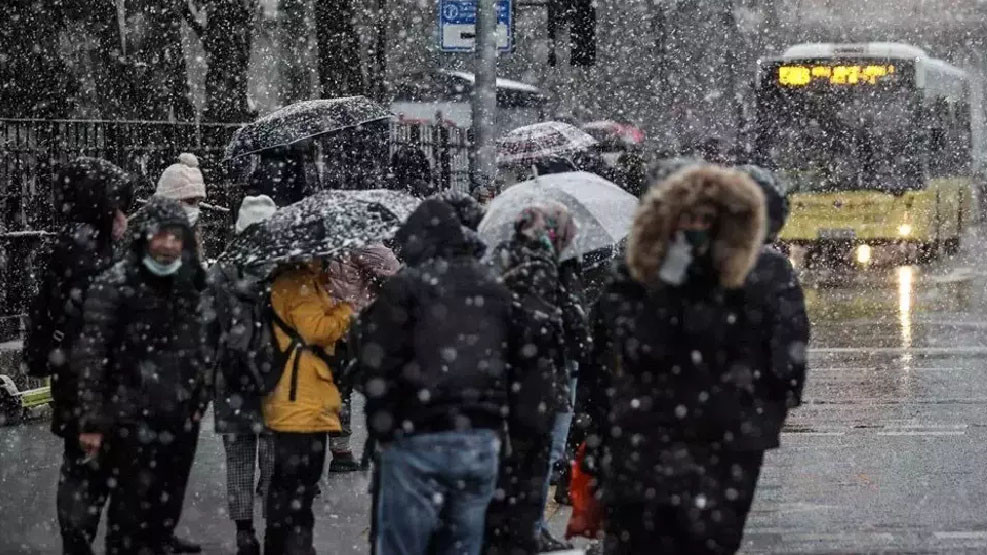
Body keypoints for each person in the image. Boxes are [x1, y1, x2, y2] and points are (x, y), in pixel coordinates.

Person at [581, 165, 767, 554]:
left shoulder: (740, 288)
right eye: (687, 218)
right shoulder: (631, 282)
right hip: (641, 456)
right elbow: (620, 355)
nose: (696, 228)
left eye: (706, 220)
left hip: (711, 457)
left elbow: (754, 364)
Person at [356, 199, 519, 555]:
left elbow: (378, 363)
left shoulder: (407, 287)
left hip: (419, 434)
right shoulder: (494, 287)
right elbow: (515, 359)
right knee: (462, 545)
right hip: (479, 437)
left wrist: (383, 429)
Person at [76, 197, 209, 555]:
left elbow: (203, 346)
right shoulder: (115, 285)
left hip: (179, 415)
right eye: (161, 235)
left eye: (176, 236)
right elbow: (93, 356)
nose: (168, 245)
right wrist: (92, 420)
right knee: (129, 513)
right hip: (129, 418)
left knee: (167, 503)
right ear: (145, 237)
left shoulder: (190, 283)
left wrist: (198, 399)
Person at [22, 157, 131, 555]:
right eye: (119, 206)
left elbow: (43, 314)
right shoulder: (90, 254)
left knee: (82, 469)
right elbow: (93, 336)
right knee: (90, 472)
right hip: (91, 388)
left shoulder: (74, 244)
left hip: (76, 380)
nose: (125, 216)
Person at [485, 203, 579, 555]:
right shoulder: (553, 269)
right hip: (545, 378)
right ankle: (530, 529)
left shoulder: (503, 263)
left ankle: (510, 530)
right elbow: (576, 332)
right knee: (542, 455)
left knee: (514, 459)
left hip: (509, 381)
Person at [261, 254, 363, 554]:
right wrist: (346, 309)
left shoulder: (307, 282)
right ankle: (292, 547)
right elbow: (317, 330)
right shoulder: (297, 283)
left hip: (306, 396)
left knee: (296, 486)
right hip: (297, 398)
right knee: (295, 485)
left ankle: (289, 545)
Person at [205, 194, 279, 555]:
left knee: (237, 456)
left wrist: (205, 379)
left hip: (231, 376)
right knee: (272, 449)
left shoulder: (220, 271)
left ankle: (244, 530)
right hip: (274, 374)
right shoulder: (283, 270)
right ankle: (274, 521)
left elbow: (206, 328)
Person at [323, 244, 401, 473]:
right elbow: (395, 277)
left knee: (338, 392)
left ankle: (340, 450)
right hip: (362, 328)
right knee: (377, 389)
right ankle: (382, 444)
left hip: (330, 327)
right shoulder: (365, 245)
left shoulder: (322, 246)